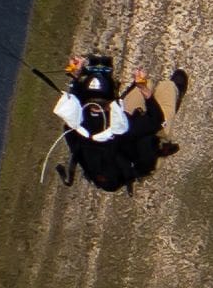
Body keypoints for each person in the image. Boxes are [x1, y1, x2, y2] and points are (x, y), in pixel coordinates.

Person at [54, 54, 188, 191]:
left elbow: (74, 102)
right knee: (167, 88)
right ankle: (175, 91)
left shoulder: (76, 124)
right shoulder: (123, 127)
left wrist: (75, 77)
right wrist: (144, 89)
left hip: (116, 150)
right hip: (137, 155)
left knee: (144, 89)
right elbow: (156, 120)